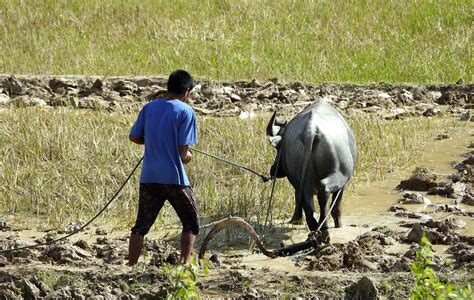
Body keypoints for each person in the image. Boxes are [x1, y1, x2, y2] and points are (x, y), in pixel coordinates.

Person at [128, 70, 199, 266]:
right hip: (174, 179)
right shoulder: (186, 111)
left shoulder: (149, 108)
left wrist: (152, 142)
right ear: (186, 92)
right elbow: (183, 153)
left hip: (149, 178)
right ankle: (185, 265)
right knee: (191, 223)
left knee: (141, 226)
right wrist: (188, 157)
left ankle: (131, 264)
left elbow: (134, 136)